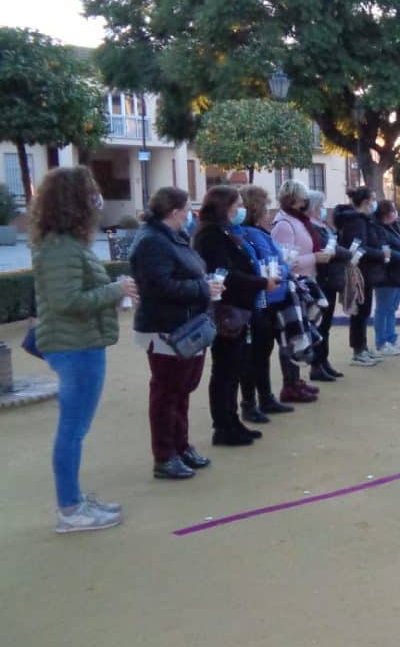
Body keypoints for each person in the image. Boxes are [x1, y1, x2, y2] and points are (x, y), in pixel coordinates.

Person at [30, 167, 138, 532]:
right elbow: (67, 301)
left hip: (80, 343)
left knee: (75, 428)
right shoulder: (60, 247)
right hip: (74, 346)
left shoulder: (65, 244)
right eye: (91, 192)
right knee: (72, 430)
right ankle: (70, 509)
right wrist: (116, 289)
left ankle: (73, 500)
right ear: (76, 200)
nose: (98, 198)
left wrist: (111, 287)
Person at [130, 186, 222, 480]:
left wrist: (204, 285)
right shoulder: (151, 241)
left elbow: (185, 273)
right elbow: (159, 287)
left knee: (181, 390)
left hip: (186, 325)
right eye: (186, 210)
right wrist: (202, 288)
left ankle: (181, 446)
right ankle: (165, 454)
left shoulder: (173, 236)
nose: (190, 215)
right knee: (166, 393)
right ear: (174, 212)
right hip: (165, 328)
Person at [193, 185, 278, 446]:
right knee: (225, 370)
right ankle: (223, 425)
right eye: (237, 204)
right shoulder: (210, 234)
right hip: (226, 310)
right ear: (225, 206)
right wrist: (260, 283)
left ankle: (232, 422)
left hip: (240, 308)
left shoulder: (224, 231)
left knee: (235, 367)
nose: (241, 209)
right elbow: (224, 272)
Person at [238, 185, 310, 418]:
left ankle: (265, 397)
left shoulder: (257, 233)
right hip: (263, 299)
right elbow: (268, 263)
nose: (268, 212)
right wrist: (285, 267)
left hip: (271, 297)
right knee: (255, 354)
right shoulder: (250, 234)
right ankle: (254, 402)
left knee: (264, 351)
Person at [272, 180, 334, 389]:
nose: (305, 202)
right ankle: (290, 383)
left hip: (306, 282)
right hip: (294, 284)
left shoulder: (298, 221)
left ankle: (297, 380)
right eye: (302, 198)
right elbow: (287, 260)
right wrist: (315, 258)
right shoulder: (284, 224)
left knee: (303, 334)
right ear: (294, 200)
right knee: (292, 336)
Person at [334, 187, 387, 367]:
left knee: (363, 311)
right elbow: (359, 248)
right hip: (359, 272)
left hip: (366, 272)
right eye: (372, 199)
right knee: (359, 311)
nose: (374, 203)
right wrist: (381, 253)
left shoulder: (363, 220)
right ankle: (358, 349)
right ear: (365, 202)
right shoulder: (356, 221)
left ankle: (362, 347)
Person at [306, 190, 350, 381]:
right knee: (320, 326)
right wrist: (346, 253)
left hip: (330, 280)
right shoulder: (313, 228)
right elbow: (329, 249)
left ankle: (324, 362)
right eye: (321, 206)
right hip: (323, 279)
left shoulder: (322, 226)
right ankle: (317, 365)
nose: (324, 209)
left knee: (326, 326)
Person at [373, 199, 400, 356]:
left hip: (398, 274)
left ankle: (392, 338)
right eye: (393, 210)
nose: (396, 212)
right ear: (386, 213)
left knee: (392, 308)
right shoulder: (380, 229)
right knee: (383, 309)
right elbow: (385, 250)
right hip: (386, 275)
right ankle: (381, 342)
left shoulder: (394, 227)